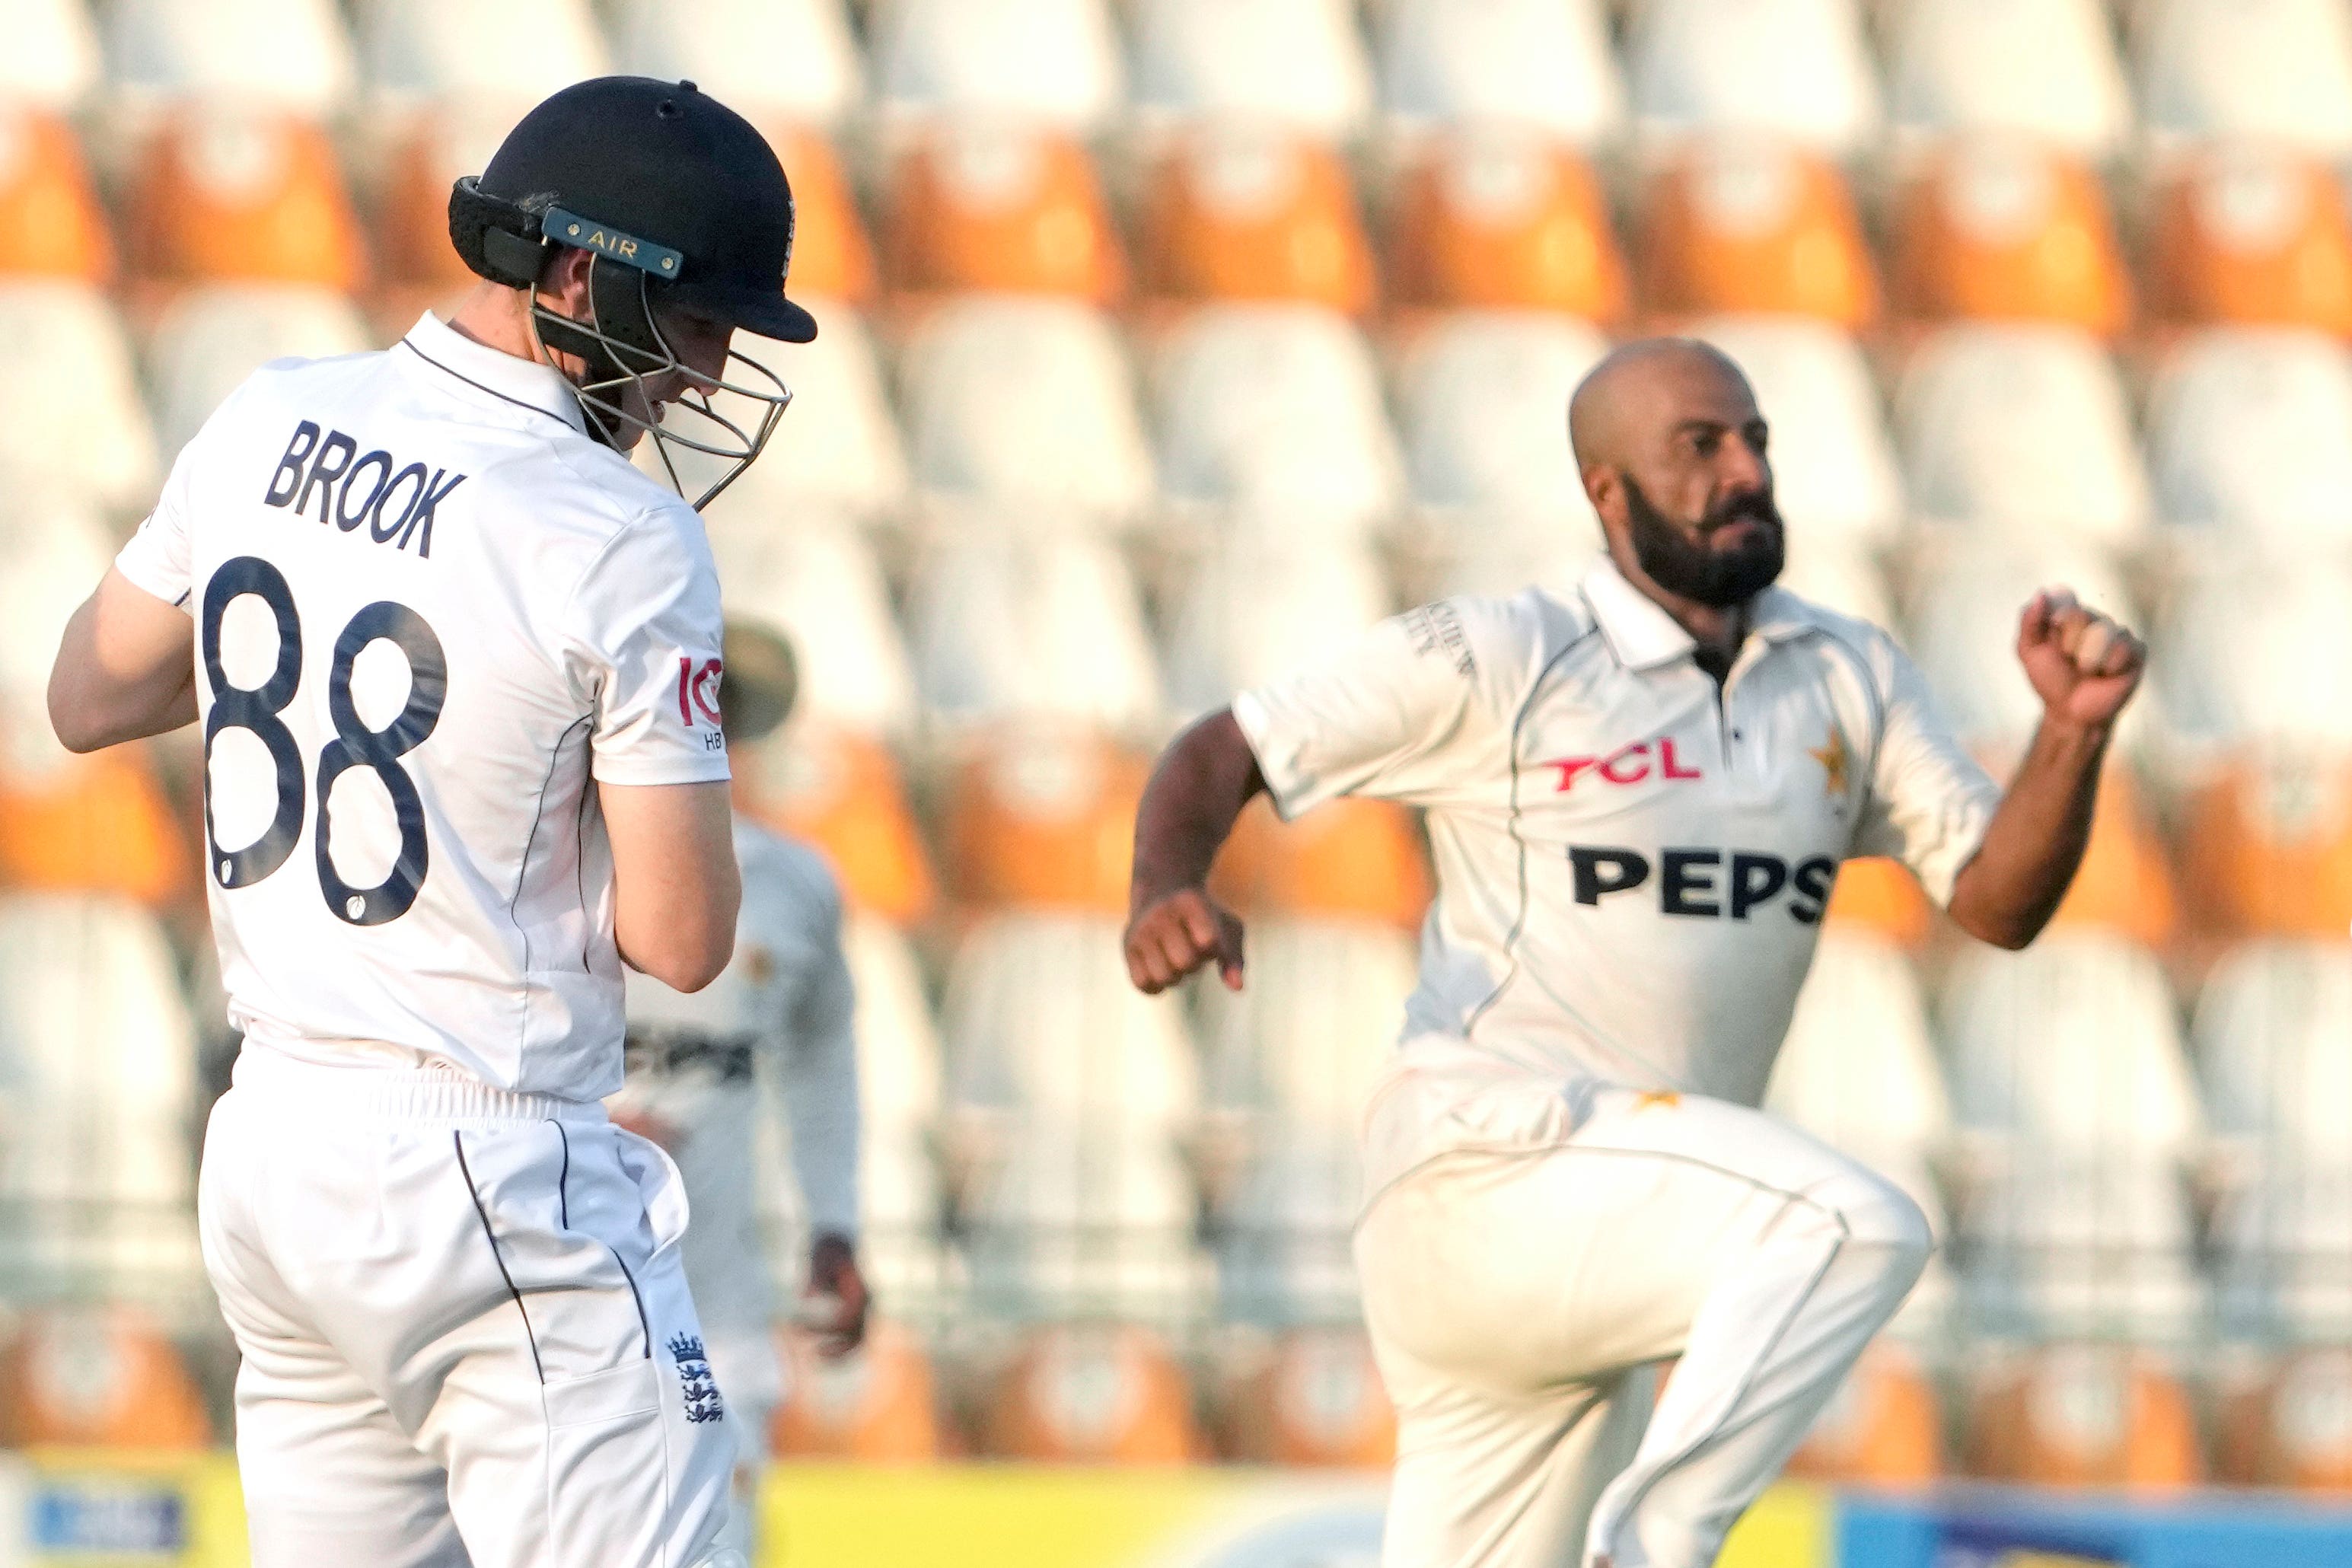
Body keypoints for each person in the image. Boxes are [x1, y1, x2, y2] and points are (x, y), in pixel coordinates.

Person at [1121, 339, 2146, 1568]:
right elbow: (1224, 747)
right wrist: (1164, 885)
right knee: (1848, 1227)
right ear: (1607, 492)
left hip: (1601, 1249)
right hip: (1485, 1161)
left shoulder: (1846, 673)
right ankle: (1659, 1541)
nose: (1745, 471)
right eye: (1699, 446)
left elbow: (1996, 899)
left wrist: (2069, 739)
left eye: (1755, 439)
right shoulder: (1506, 652)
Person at [43, 76, 818, 1568]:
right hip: (488, 1164)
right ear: (576, 274)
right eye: (696, 315)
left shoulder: (273, 412)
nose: (708, 364)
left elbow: (89, 692)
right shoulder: (622, 533)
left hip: (276, 1149)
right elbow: (685, 937)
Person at [611, 622, 869, 1558]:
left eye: (725, 712)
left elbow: (823, 1058)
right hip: (545, 1301)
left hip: (713, 1317)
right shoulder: (559, 856)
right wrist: (591, 1122)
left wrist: (834, 1224)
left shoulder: (794, 883)